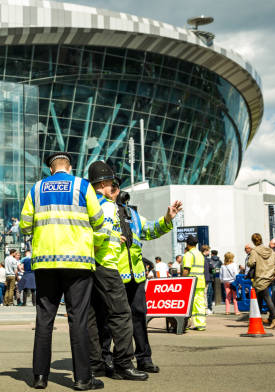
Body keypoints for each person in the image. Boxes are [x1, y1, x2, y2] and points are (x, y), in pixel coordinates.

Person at [20, 152, 106, 390]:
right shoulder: (82, 185)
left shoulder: (36, 189)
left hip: (45, 263)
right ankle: (82, 379)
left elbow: (25, 224)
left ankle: (39, 377)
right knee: (78, 319)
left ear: (51, 169)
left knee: (44, 320)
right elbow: (98, 220)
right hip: (77, 262)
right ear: (69, 167)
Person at [86, 161, 148, 382]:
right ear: (103, 184)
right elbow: (101, 235)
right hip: (107, 265)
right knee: (121, 315)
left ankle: (96, 364)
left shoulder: (85, 204)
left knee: (93, 317)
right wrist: (113, 237)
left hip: (88, 266)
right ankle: (124, 364)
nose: (114, 190)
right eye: (112, 185)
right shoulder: (108, 206)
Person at [114, 189, 181, 373]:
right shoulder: (105, 211)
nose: (119, 194)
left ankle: (144, 358)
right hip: (115, 274)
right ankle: (110, 360)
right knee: (113, 320)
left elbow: (150, 230)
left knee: (138, 317)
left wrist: (167, 219)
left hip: (136, 275)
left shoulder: (132, 214)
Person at [247, 232, 275, 329]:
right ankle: (256, 319)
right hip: (269, 277)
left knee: (267, 299)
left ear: (253, 241)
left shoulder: (254, 251)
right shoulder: (269, 250)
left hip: (260, 277)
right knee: (259, 298)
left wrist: (250, 262)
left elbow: (250, 263)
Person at [183, 235, 206, 330]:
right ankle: (200, 324)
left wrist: (182, 280)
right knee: (199, 303)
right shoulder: (200, 254)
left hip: (191, 282)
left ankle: (186, 324)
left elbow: (186, 269)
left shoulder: (189, 254)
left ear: (187, 244)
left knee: (189, 304)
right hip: (200, 281)